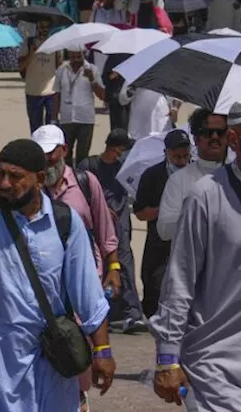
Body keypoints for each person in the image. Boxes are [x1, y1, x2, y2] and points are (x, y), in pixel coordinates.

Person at [0, 139, 114, 412]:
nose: (4, 183)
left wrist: (103, 351)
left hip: (47, 368)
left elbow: (88, 295)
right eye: (1, 174)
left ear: (39, 179)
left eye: (15, 177)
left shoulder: (65, 223)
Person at [149, 95, 241, 410]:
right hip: (218, 362)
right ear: (234, 140)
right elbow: (180, 281)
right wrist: (167, 357)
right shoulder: (205, 196)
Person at [33, 125, 122, 300]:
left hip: (86, 276)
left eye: (50, 152)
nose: (46, 159)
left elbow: (105, 231)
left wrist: (113, 267)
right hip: (45, 283)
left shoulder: (86, 182)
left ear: (64, 150)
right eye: (40, 154)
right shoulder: (30, 190)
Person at [77, 129, 146, 333]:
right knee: (99, 265)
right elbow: (79, 194)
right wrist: (101, 208)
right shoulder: (88, 166)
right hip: (96, 224)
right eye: (123, 150)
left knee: (124, 262)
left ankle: (132, 312)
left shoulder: (124, 168)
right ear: (115, 148)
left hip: (120, 225)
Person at [132, 129, 192, 318]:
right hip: (159, 244)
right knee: (154, 286)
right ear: (166, 153)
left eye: (185, 156)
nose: (181, 161)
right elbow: (140, 213)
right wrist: (166, 211)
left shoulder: (198, 174)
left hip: (190, 244)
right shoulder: (152, 175)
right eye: (176, 157)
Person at [156, 109, 229, 242]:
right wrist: (199, 215)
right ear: (195, 139)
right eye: (207, 132)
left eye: (220, 132)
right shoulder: (179, 180)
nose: (215, 137)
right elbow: (164, 230)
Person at [52, 51, 106, 166]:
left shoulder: (92, 69)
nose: (76, 60)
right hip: (66, 118)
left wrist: (92, 79)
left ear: (84, 55)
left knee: (82, 156)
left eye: (78, 57)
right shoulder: (62, 69)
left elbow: (102, 96)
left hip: (85, 119)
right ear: (69, 57)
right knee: (65, 154)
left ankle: (81, 179)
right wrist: (54, 117)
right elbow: (57, 94)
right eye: (73, 57)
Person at [20, 20, 61, 132]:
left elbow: (59, 66)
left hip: (51, 92)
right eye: (41, 27)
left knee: (52, 127)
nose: (44, 30)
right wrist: (32, 54)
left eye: (47, 27)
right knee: (35, 128)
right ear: (36, 28)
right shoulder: (28, 43)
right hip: (33, 91)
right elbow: (20, 66)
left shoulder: (55, 44)